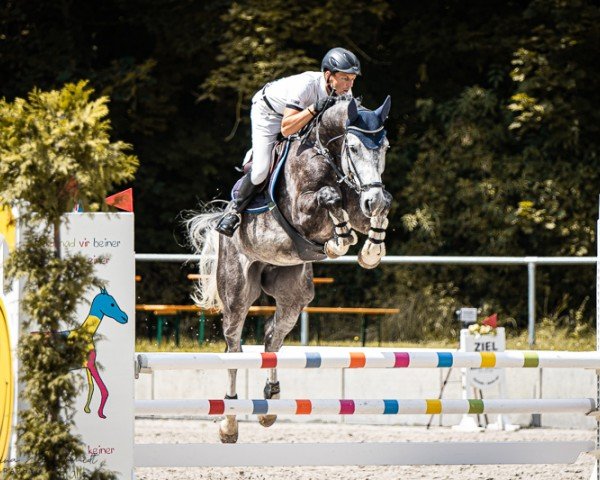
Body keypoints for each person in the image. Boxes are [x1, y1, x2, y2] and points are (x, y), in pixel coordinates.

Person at [215, 47, 361, 237]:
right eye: (345, 78)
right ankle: (234, 212)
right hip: (269, 114)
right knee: (260, 171)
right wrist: (314, 108)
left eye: (352, 79)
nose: (349, 84)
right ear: (328, 75)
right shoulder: (305, 85)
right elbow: (286, 128)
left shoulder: (344, 92)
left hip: (301, 117)